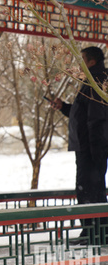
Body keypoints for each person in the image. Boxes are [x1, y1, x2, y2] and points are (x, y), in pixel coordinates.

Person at [50, 46, 108, 245]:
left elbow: (97, 120)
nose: (79, 63)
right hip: (89, 146)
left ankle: (94, 233)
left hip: (91, 148)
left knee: (89, 190)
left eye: (82, 59)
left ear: (91, 61)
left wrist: (96, 151)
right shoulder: (92, 80)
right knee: (92, 189)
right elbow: (83, 117)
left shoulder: (97, 81)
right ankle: (94, 231)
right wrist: (65, 107)